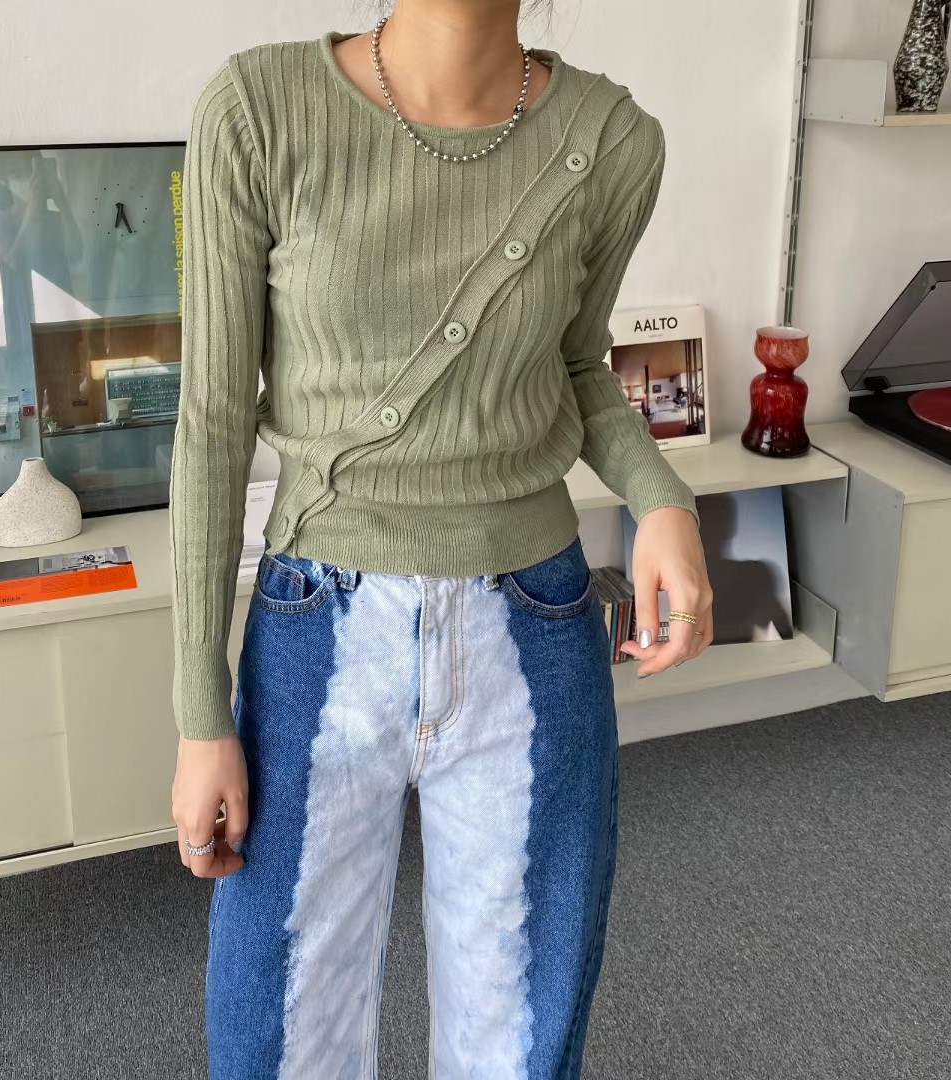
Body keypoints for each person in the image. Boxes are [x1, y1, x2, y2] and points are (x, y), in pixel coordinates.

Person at [168, 3, 714, 1077]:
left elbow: (576, 366)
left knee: (518, 1035)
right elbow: (211, 424)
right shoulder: (258, 110)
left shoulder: (612, 141)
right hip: (316, 624)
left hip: (535, 624)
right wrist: (200, 709)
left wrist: (663, 500)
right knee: (279, 1036)